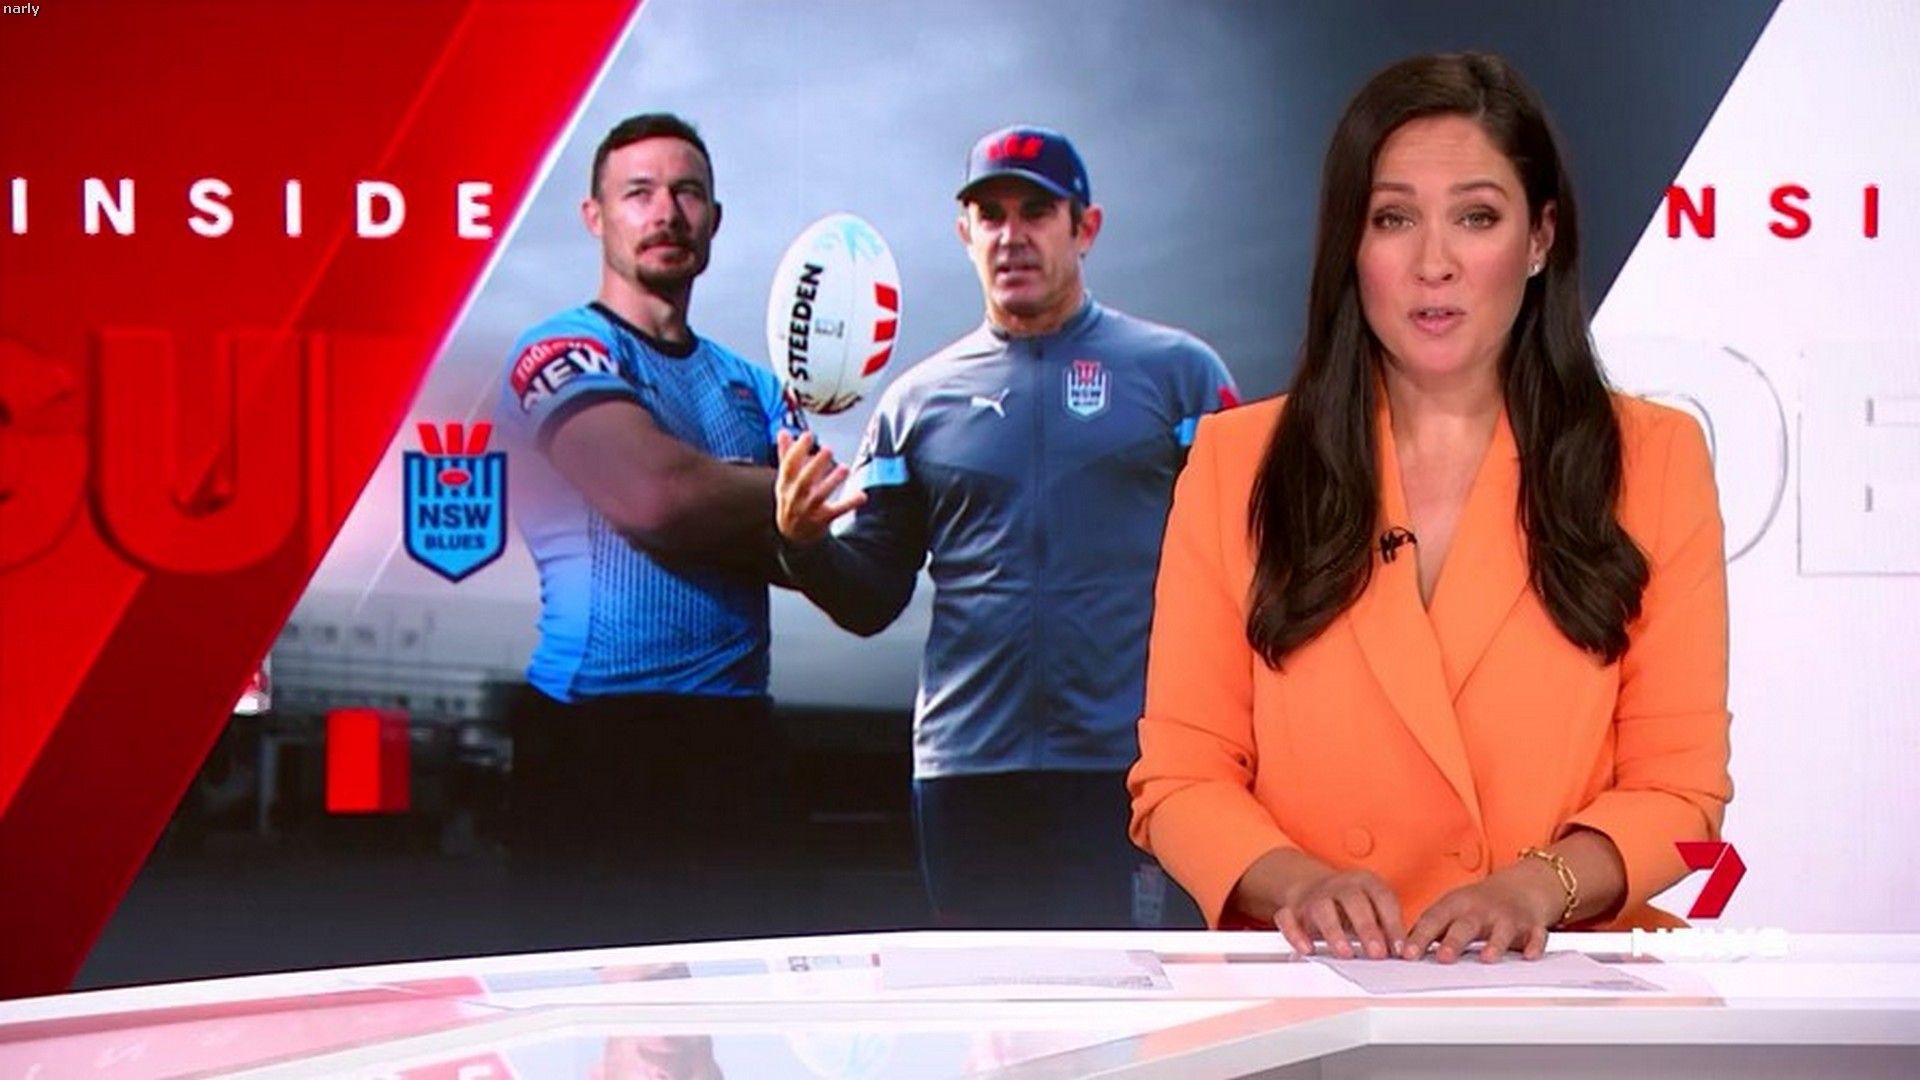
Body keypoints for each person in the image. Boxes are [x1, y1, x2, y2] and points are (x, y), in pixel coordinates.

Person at [1127, 52, 1732, 963]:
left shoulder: (1653, 458)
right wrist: (1299, 885)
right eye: (1394, 219)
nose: (1434, 264)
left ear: (1540, 240)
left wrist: (1535, 888)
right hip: (1315, 988)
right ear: (1351, 244)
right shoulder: (1236, 463)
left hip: (1555, 985)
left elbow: (1682, 793)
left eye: (1476, 218)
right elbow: (1179, 779)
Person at [775, 125, 1239, 929]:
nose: (1011, 235)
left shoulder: (1180, 375)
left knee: (1140, 999)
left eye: (1036, 211)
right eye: (990, 215)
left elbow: (1250, 562)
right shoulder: (916, 404)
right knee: (994, 1004)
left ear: (1085, 227)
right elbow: (871, 598)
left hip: (1136, 767)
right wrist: (803, 544)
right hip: (968, 771)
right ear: (965, 233)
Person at [494, 113, 805, 946]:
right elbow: (655, 496)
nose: (666, 212)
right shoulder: (558, 349)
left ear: (714, 218)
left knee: (738, 1010)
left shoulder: (752, 385)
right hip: (596, 735)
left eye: (687, 192)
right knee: (599, 1013)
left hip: (737, 739)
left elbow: (853, 579)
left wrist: (763, 507)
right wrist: (783, 502)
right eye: (639, 193)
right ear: (595, 216)